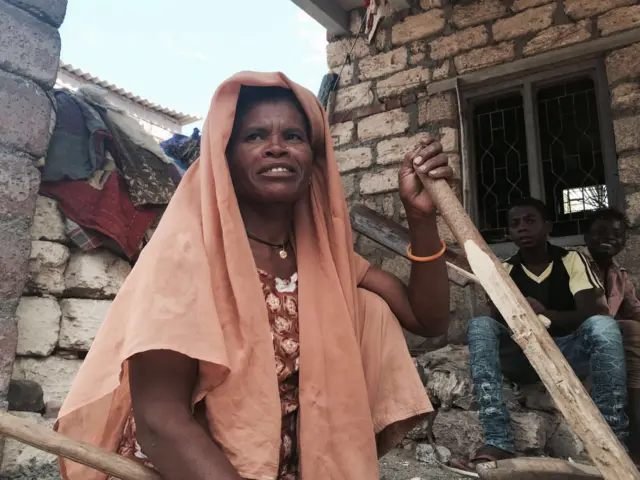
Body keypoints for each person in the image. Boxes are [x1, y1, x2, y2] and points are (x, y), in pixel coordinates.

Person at [55, 72, 454, 480]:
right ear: (224, 157)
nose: (276, 147)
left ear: (314, 160)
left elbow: (427, 320)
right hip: (188, 468)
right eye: (255, 136)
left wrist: (421, 220)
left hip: (287, 467)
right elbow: (160, 417)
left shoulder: (324, 259)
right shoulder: (186, 255)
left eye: (294, 137)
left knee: (369, 308)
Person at [456, 197, 629, 471]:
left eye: (529, 221)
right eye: (515, 224)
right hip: (522, 358)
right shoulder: (506, 269)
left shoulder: (572, 260)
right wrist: (517, 311)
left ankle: (613, 439)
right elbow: (498, 321)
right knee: (480, 326)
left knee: (604, 327)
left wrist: (544, 313)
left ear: (547, 226)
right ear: (509, 234)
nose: (522, 228)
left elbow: (592, 311)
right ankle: (498, 439)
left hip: (566, 352)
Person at [585, 208, 640, 461]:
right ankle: (634, 431)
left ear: (624, 242)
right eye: (601, 232)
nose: (608, 239)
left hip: (607, 340)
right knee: (630, 331)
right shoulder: (572, 264)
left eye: (616, 235)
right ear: (587, 236)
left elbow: (634, 309)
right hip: (577, 337)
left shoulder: (620, 275)